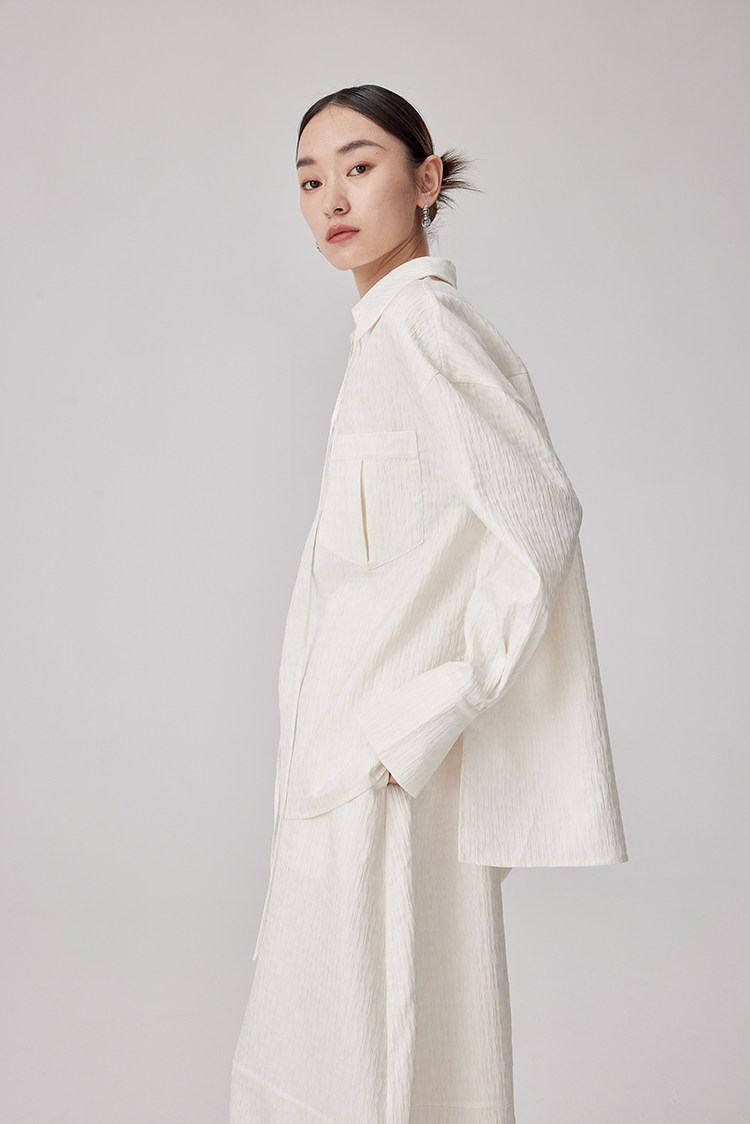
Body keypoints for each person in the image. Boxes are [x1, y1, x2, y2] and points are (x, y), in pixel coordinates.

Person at [230, 83, 628, 1124]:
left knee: (376, 1053)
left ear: (427, 179)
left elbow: (541, 516)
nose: (331, 199)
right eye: (309, 179)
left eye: (359, 167)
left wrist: (431, 712)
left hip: (384, 768)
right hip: (342, 761)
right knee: (344, 1047)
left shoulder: (424, 332)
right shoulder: (383, 337)